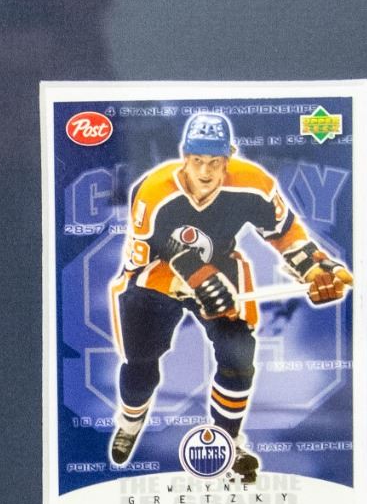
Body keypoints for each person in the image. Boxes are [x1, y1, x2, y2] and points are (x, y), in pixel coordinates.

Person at [108, 111, 353, 481]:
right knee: (140, 365)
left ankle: (227, 439)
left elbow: (285, 231)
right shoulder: (154, 191)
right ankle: (130, 422)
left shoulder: (253, 183)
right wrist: (194, 279)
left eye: (215, 162)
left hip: (221, 268)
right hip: (157, 276)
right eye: (197, 160)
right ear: (184, 157)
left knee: (238, 356)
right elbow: (149, 254)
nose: (205, 172)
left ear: (229, 158)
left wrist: (314, 268)